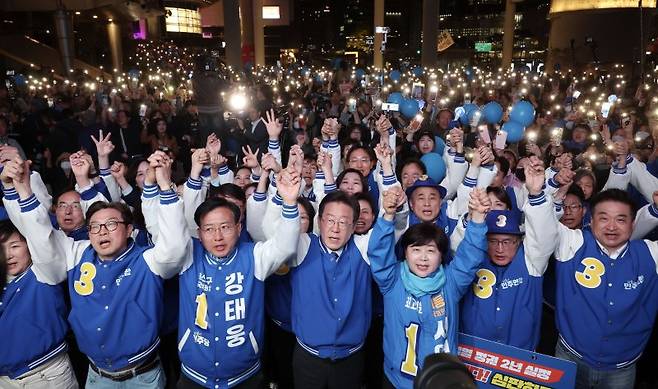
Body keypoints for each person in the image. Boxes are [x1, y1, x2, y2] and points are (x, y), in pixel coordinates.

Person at [1, 151, 188, 388]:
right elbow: (39, 236)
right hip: (96, 374)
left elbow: (175, 248)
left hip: (141, 375)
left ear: (129, 229)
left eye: (111, 224)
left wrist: (163, 184)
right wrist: (19, 188)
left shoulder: (147, 259)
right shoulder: (77, 253)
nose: (102, 231)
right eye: (95, 227)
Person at [176, 163, 301, 388]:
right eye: (209, 229)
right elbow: (170, 235)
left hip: (245, 376)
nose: (218, 236)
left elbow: (285, 246)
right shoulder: (187, 254)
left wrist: (290, 202)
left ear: (239, 228)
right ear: (200, 234)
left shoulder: (254, 256)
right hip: (193, 376)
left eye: (225, 227)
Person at [368, 186, 490, 389]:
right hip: (396, 382)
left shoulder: (450, 283)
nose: (423, 258)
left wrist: (477, 218)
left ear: (441, 255)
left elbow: (470, 257)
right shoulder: (393, 281)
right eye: (416, 250)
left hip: (441, 383)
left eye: (431, 251)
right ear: (405, 253)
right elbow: (378, 253)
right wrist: (388, 215)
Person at [545, 186, 658, 388]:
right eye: (604, 218)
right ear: (591, 220)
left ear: (633, 224)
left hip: (621, 368)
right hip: (570, 357)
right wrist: (547, 190)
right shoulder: (573, 243)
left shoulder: (650, 254)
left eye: (620, 219)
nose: (611, 227)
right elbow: (542, 225)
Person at [460, 156, 556, 351]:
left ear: (520, 242)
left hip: (518, 362)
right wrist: (473, 217)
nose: (500, 248)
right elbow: (458, 244)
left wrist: (536, 193)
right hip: (474, 358)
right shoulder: (473, 260)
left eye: (508, 241)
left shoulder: (532, 263)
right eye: (493, 241)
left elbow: (544, 235)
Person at [0, 221, 78, 388]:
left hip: (46, 374)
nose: (8, 255)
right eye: (1, 249)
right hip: (6, 379)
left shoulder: (42, 273)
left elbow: (40, 229)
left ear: (29, 246)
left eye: (14, 246)